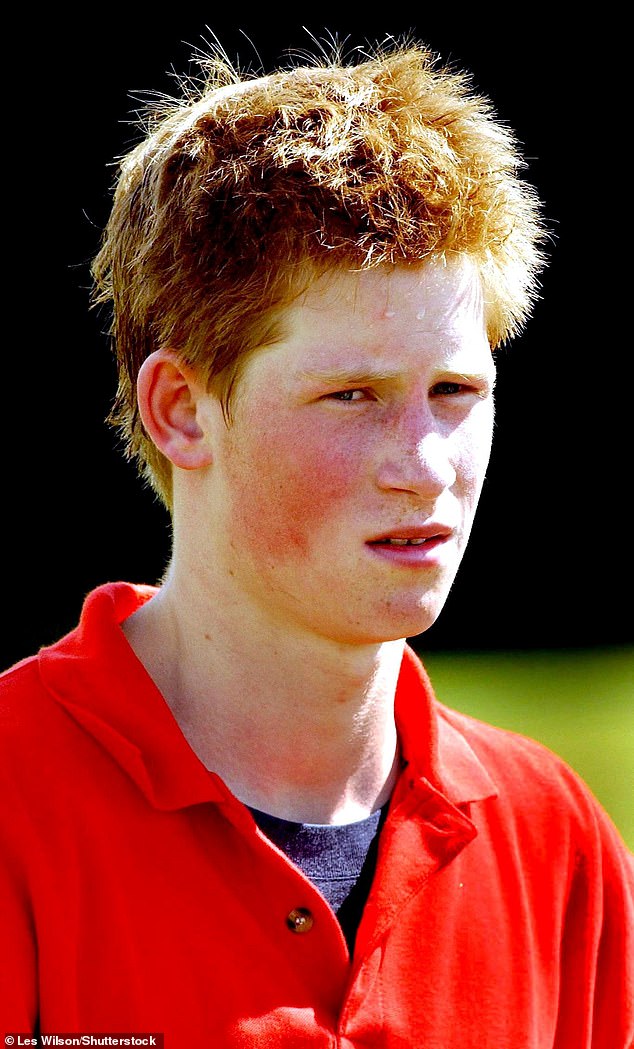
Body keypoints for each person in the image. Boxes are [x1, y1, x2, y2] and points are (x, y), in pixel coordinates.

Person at [1, 36, 632, 1048]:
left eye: (455, 393)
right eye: (353, 395)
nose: (424, 464)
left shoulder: (555, 842)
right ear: (182, 410)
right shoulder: (12, 804)